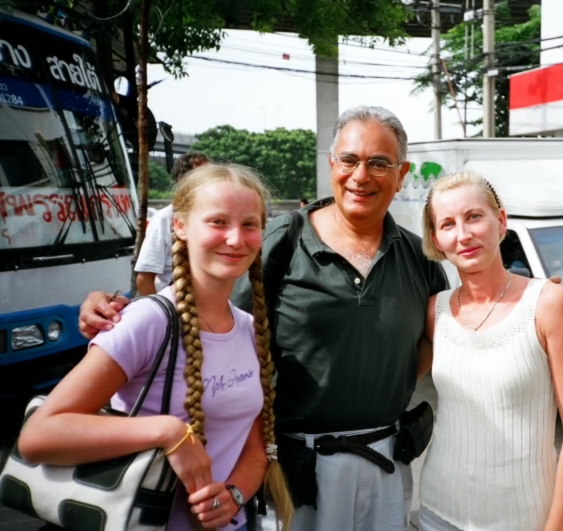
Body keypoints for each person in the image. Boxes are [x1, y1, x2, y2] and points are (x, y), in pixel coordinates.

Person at [77, 106, 448, 531]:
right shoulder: (280, 242)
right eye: (349, 160)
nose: (361, 176)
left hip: (384, 461)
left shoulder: (420, 258)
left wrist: (383, 379)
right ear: (331, 165)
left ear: (401, 175)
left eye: (379, 163)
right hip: (292, 467)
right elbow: (206, 314)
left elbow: (437, 337)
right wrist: (113, 308)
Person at [20, 163, 292, 530]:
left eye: (249, 224)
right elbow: (39, 436)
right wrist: (170, 433)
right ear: (179, 227)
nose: (235, 239)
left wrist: (234, 496)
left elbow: (256, 450)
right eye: (217, 222)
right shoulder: (148, 321)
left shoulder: (250, 329)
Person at [416, 172, 563, 531]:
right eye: (448, 224)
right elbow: (390, 379)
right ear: (436, 239)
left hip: (522, 519)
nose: (463, 234)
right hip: (436, 512)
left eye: (474, 217)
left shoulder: (549, 304)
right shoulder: (434, 311)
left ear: (500, 221)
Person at [135, 151, 210, 296]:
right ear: (182, 182)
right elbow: (144, 280)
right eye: (203, 177)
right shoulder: (164, 218)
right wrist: (164, 316)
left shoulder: (214, 217)